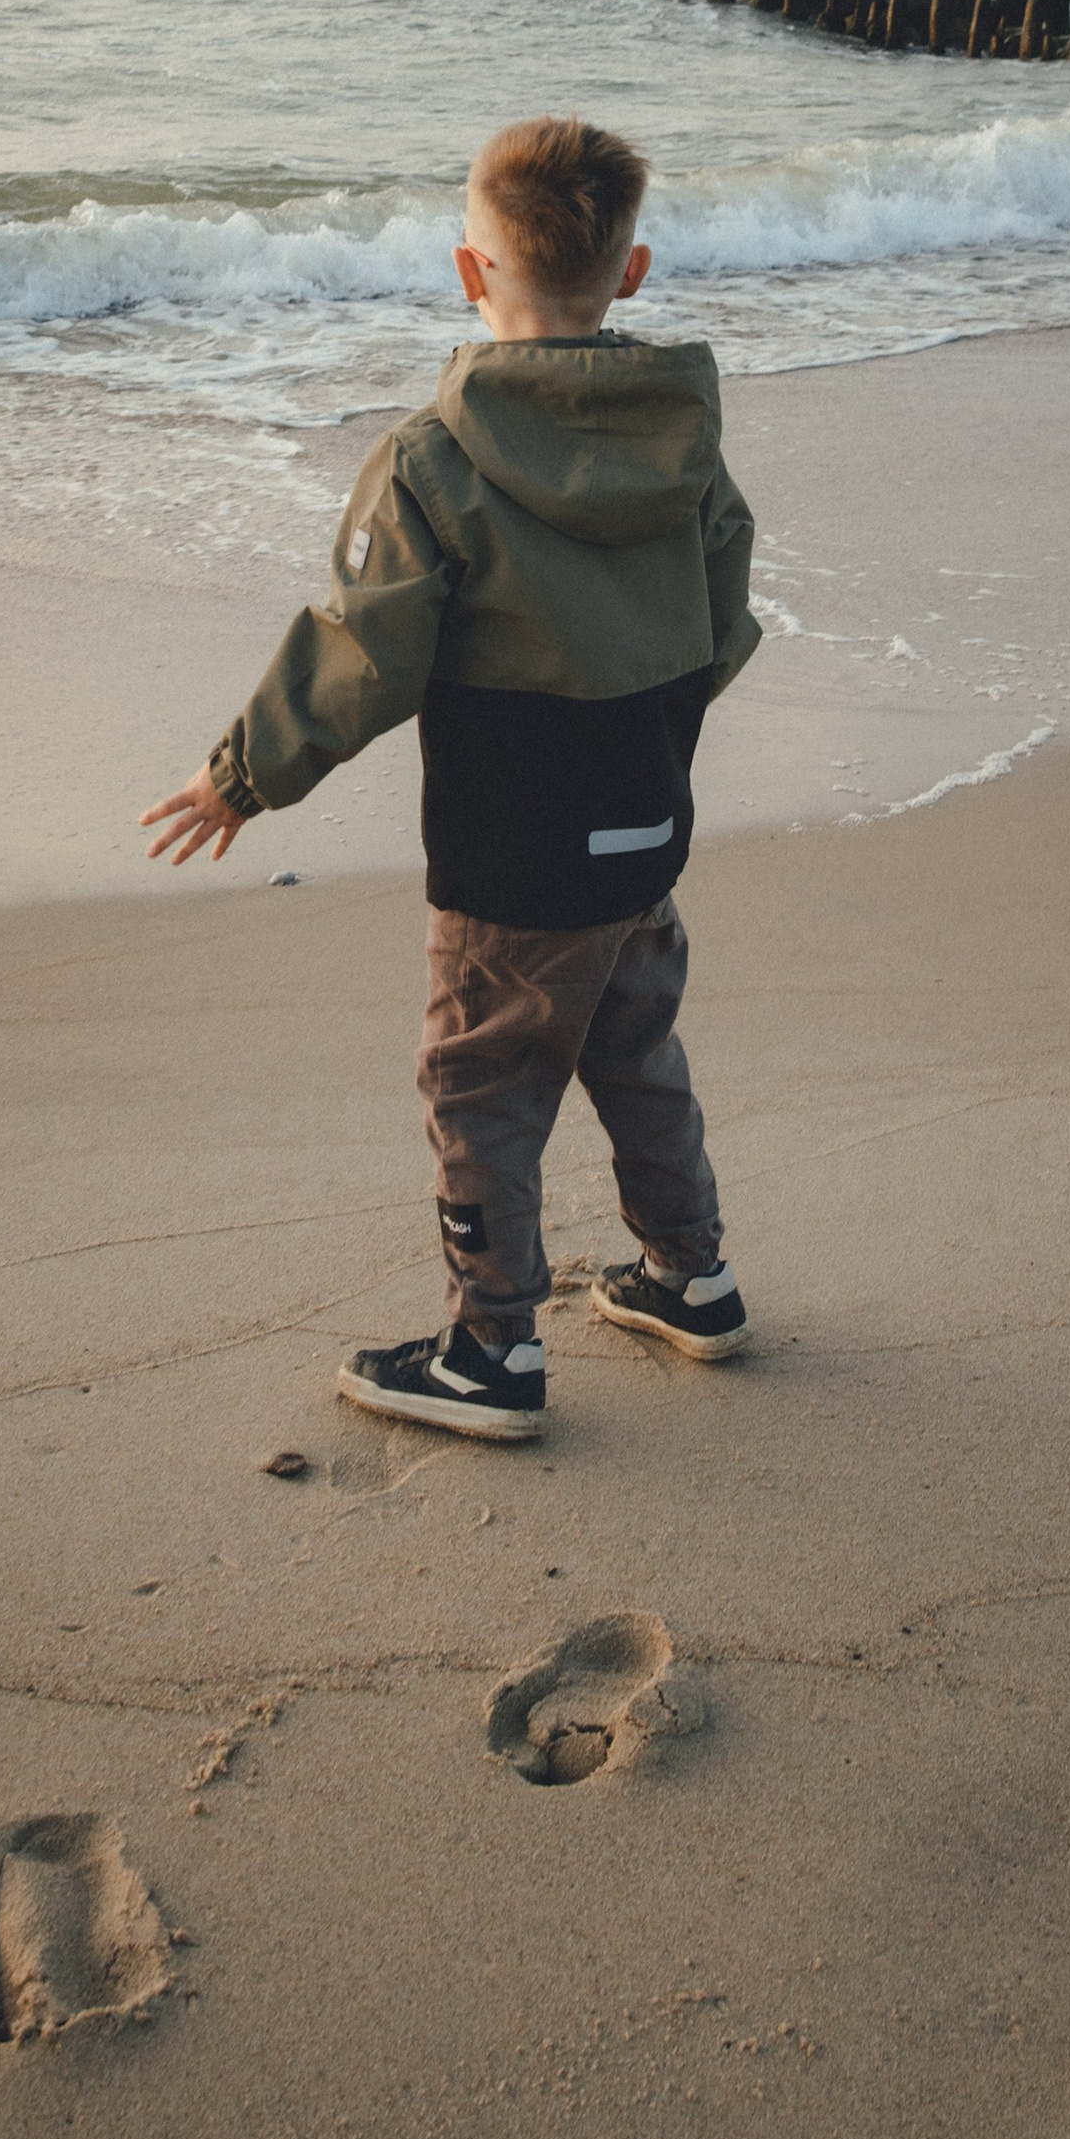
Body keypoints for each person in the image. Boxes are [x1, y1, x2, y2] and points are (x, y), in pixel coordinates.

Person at [139, 112, 760, 1439]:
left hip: (509, 855)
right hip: (641, 825)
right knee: (631, 1048)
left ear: (468, 275)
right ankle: (690, 1276)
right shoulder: (686, 452)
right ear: (632, 274)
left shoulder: (436, 463)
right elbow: (723, 620)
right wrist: (640, 741)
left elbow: (367, 649)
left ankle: (491, 1348)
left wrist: (239, 776)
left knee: (478, 1082)